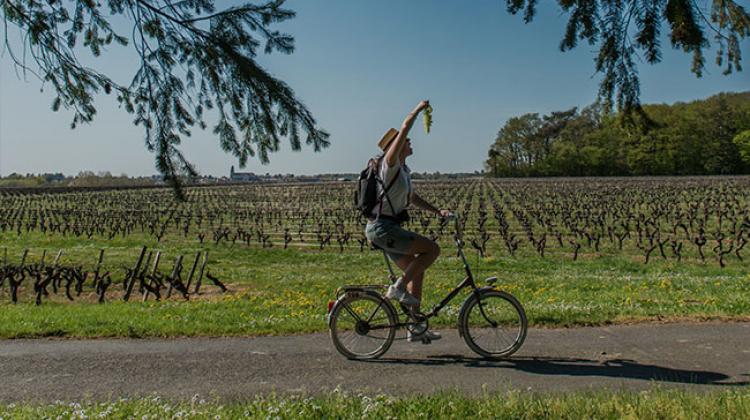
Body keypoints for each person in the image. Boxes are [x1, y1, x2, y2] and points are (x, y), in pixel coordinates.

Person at [365, 100, 451, 343]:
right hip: (383, 228)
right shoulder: (390, 165)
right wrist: (418, 109)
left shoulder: (403, 171)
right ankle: (399, 288)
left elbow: (412, 198)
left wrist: (437, 211)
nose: (411, 143)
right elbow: (405, 128)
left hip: (386, 229)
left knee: (418, 270)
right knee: (432, 249)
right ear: (397, 146)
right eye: (406, 142)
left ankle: (415, 327)